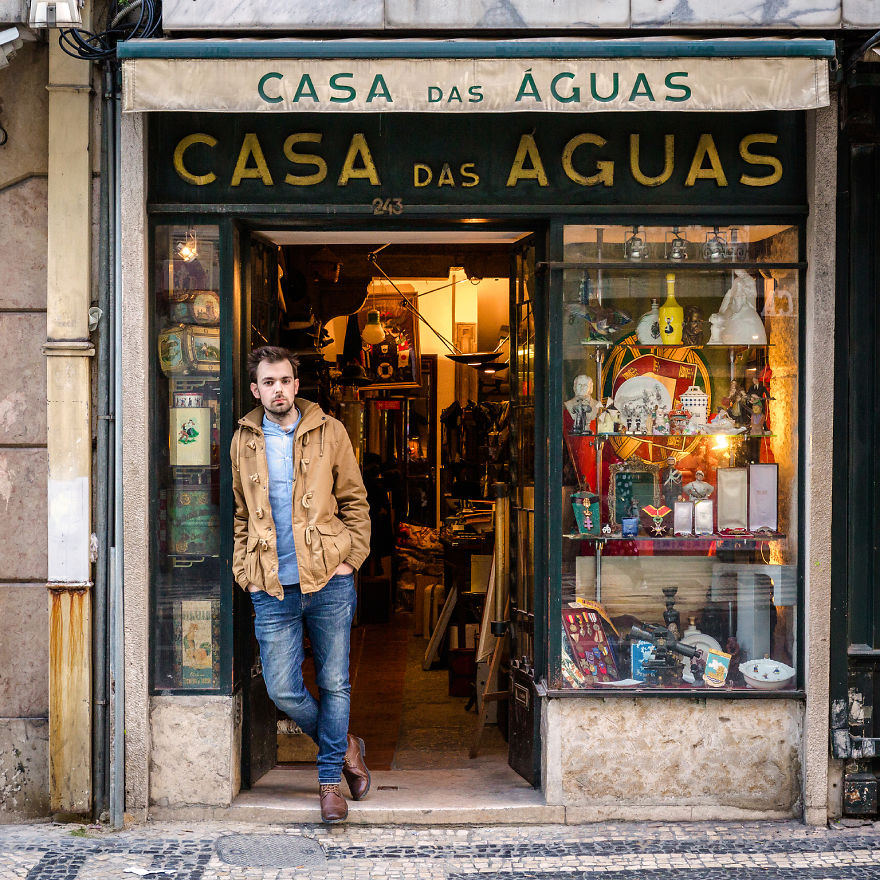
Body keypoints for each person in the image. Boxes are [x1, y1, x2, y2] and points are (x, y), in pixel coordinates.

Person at [231, 346, 372, 824]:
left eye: (285, 381)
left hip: (330, 581)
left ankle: (329, 782)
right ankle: (347, 743)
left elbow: (355, 499)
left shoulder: (329, 431)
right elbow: (240, 513)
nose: (278, 390)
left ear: (296, 384)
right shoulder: (243, 441)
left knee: (335, 683)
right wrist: (244, 569)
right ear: (256, 390)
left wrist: (351, 560)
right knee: (283, 689)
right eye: (268, 382)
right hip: (271, 585)